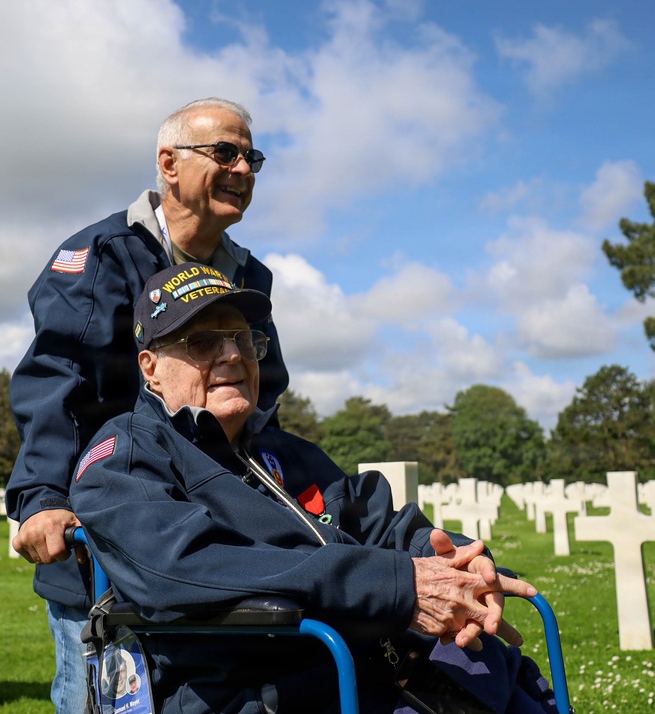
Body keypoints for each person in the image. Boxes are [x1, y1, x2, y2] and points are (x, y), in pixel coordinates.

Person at [69, 262, 558, 714]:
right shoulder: (127, 454)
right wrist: (393, 584)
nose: (234, 354)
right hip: (271, 691)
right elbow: (181, 565)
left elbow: (382, 520)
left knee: (512, 679)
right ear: (151, 368)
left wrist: (459, 565)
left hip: (385, 665)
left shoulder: (290, 452)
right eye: (203, 342)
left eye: (242, 337)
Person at [5, 98, 289, 712]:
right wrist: (42, 498)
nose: (244, 169)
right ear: (169, 163)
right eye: (225, 153)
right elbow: (56, 376)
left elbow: (262, 397)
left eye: (252, 157)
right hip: (111, 532)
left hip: (212, 543)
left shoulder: (250, 277)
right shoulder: (104, 253)